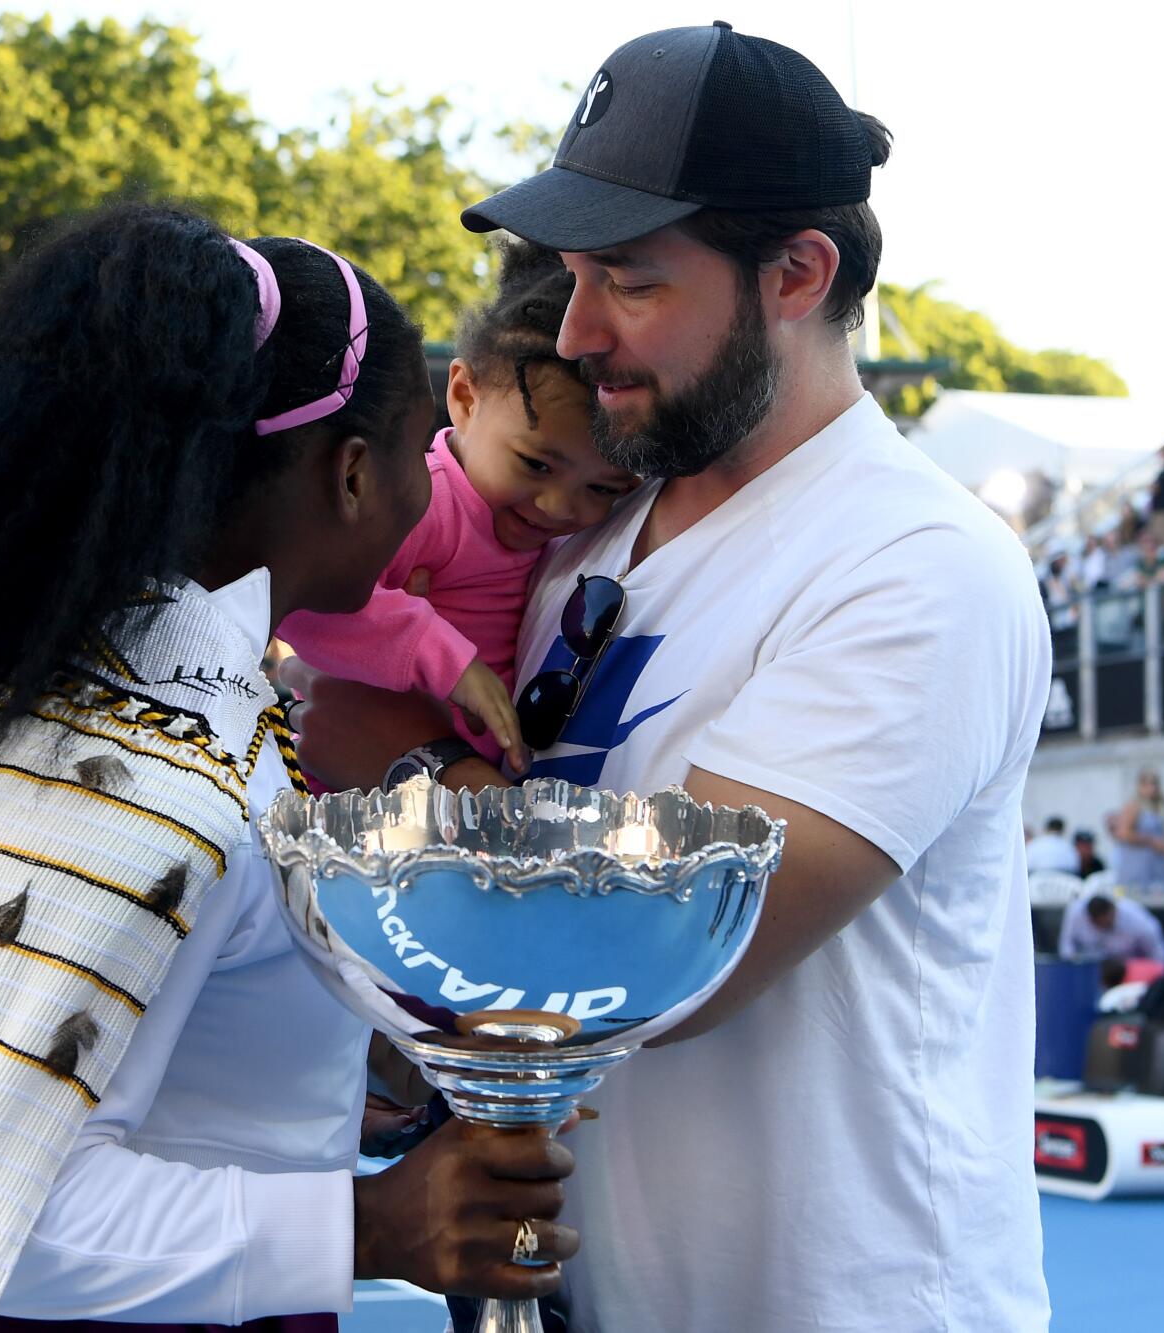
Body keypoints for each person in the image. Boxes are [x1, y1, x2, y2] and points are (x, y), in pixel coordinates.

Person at [294, 27, 1050, 1327]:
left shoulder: (919, 565)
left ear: (797, 274)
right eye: (574, 277)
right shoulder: (571, 535)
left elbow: (682, 951)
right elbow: (355, 723)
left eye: (632, 282)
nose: (579, 332)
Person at [0, 204, 571, 1331]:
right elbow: (6, 1219)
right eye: (408, 455)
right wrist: (376, 1225)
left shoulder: (108, 694)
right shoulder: (154, 769)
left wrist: (376, 1080)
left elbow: (191, 1056)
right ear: (349, 475)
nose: (424, 493)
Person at [279, 242, 634, 773]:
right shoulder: (426, 502)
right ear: (465, 398)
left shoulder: (551, 534)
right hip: (358, 789)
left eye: (604, 489)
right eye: (536, 465)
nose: (560, 506)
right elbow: (299, 600)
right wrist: (442, 656)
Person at [1109, 766, 1164, 892]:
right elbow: (1122, 833)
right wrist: (1150, 841)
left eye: (1154, 784)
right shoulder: (1133, 806)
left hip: (1155, 869)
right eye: (1147, 784)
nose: (1152, 789)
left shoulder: (1159, 808)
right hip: (1137, 870)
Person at [1059, 892, 1164, 964]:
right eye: (1097, 923)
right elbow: (1066, 947)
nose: (1101, 927)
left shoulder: (1138, 922)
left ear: (1112, 911)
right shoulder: (1076, 913)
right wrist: (1073, 963)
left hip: (1129, 966)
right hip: (1091, 966)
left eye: (1104, 922)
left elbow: (1159, 956)